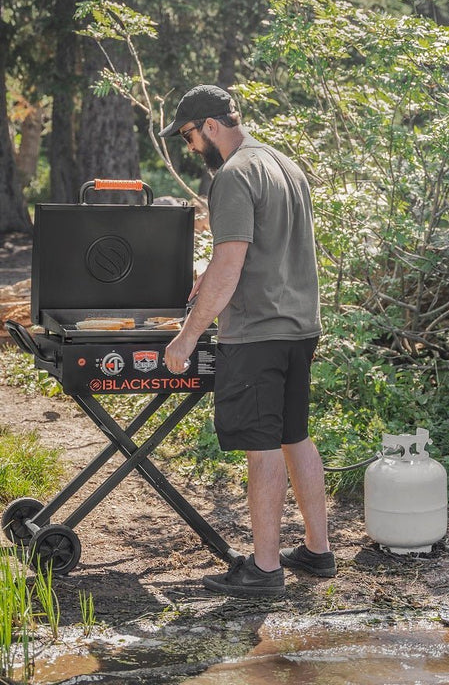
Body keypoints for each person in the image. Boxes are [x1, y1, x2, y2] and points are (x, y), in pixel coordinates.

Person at [161, 84, 335, 598]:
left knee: (262, 448)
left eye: (190, 136)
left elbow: (232, 259)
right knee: (294, 435)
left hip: (257, 333)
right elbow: (266, 252)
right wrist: (209, 276)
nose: (191, 148)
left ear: (211, 126)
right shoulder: (285, 164)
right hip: (301, 326)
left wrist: (187, 336)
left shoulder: (233, 176)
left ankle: (263, 569)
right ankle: (317, 551)